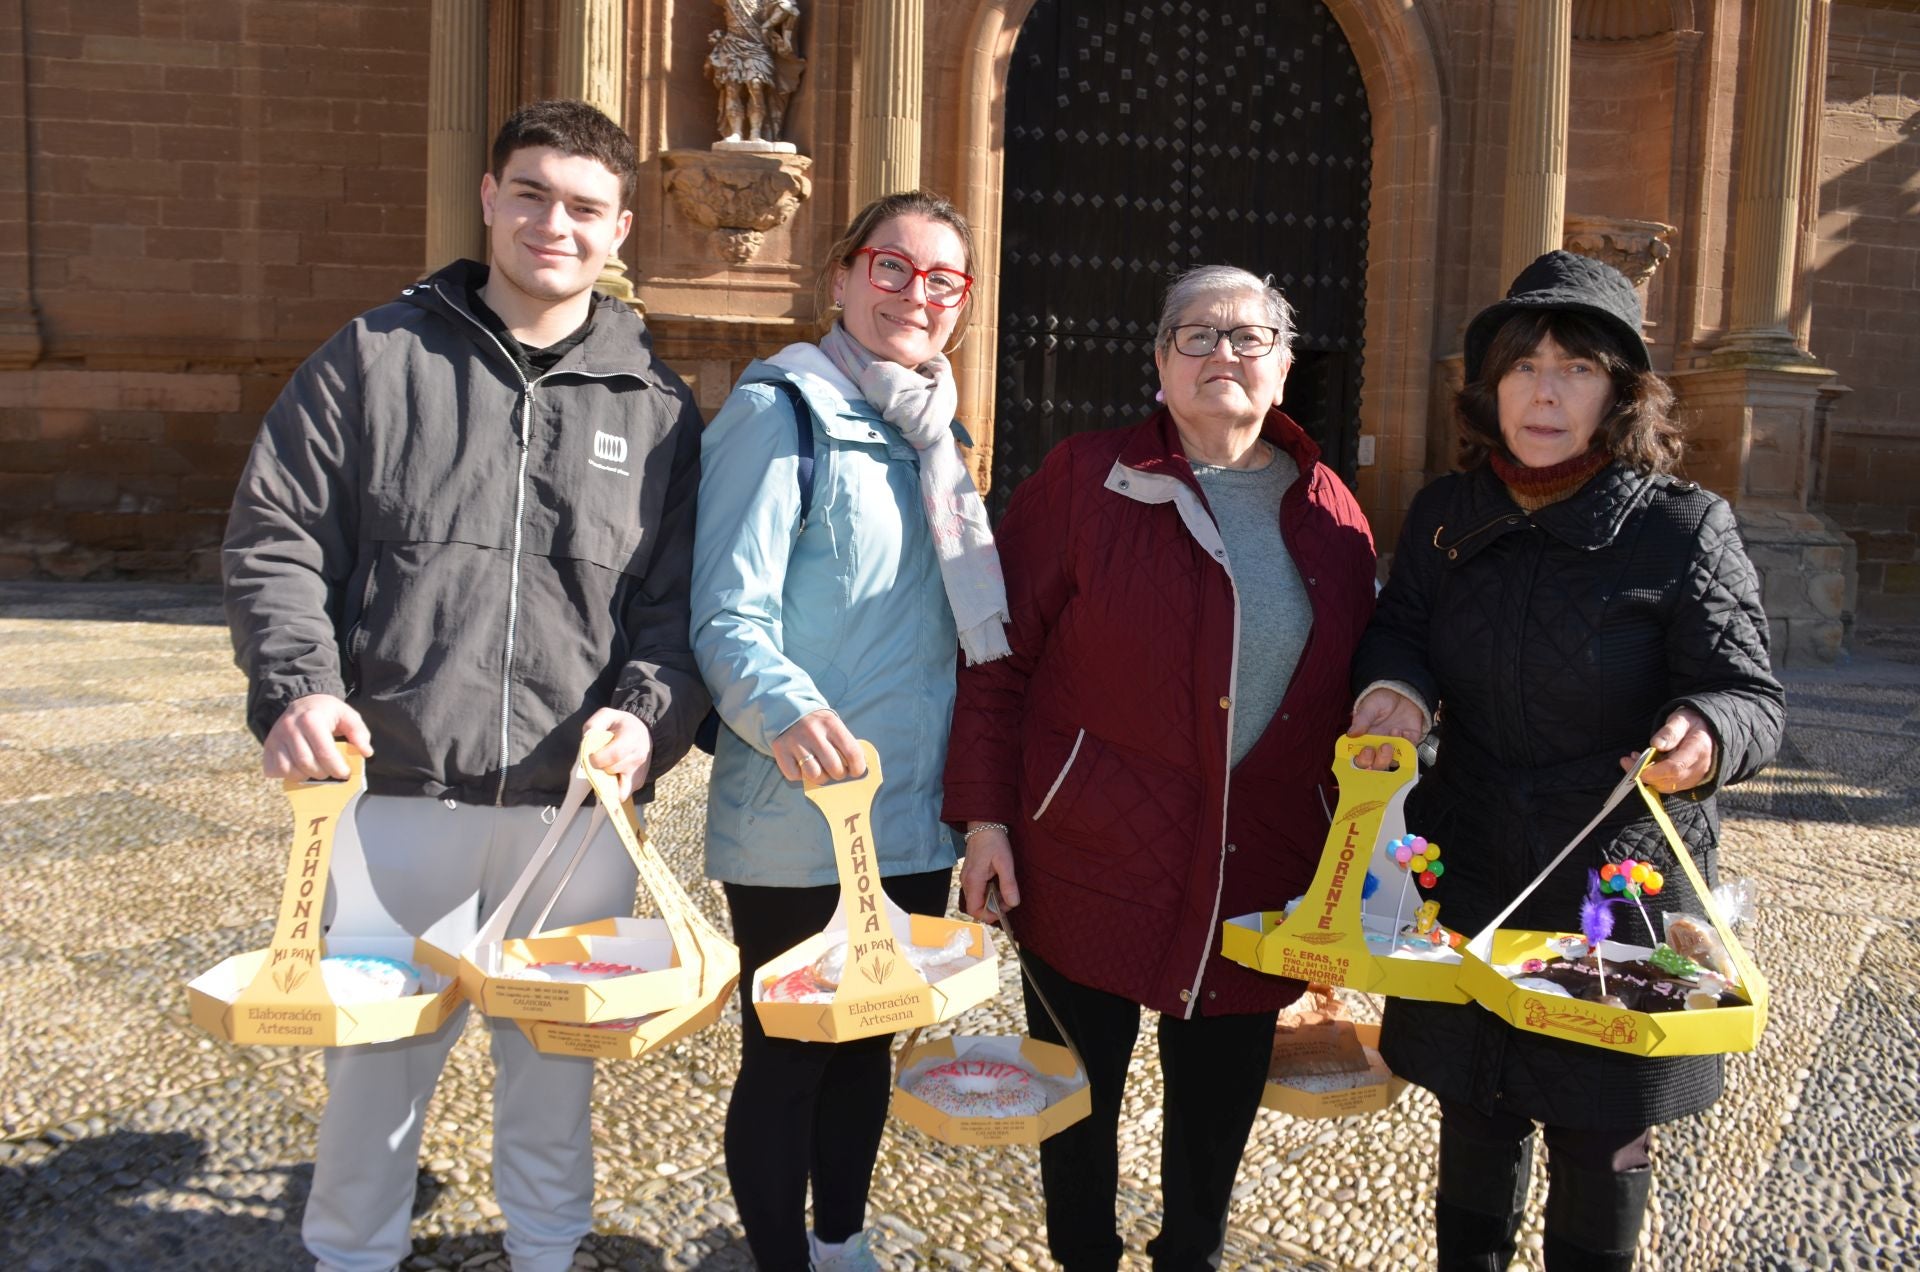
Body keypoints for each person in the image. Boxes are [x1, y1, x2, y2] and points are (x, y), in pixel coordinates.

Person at [222, 100, 707, 1272]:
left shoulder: (657, 408)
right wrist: (296, 687)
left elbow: (674, 613)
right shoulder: (377, 357)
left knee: (552, 1091)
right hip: (395, 801)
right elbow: (277, 532)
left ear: (621, 228)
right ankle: (351, 1258)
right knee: (371, 1086)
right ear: (488, 198)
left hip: (572, 819)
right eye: (532, 194)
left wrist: (643, 723)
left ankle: (547, 1255)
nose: (556, 224)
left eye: (585, 207)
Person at [1346, 250, 1785, 1271]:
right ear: (1489, 385)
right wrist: (1394, 689)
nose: (1546, 391)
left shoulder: (1682, 527)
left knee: (1602, 1141)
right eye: (1525, 365)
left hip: (1617, 885)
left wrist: (1708, 734)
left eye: (1577, 368)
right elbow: (1401, 630)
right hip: (1475, 863)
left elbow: (1752, 697)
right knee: (1477, 1116)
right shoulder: (1446, 516)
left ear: (1619, 393)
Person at [943, 265, 1379, 1271]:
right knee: (1074, 1106)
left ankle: (1191, 1256)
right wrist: (985, 820)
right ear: (1158, 362)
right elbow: (996, 659)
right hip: (1087, 855)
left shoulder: (1335, 514)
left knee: (1214, 1123)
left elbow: (1362, 692)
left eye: (1250, 337)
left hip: (1258, 870)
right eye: (1198, 334)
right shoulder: (1084, 478)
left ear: (1282, 367)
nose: (1224, 353)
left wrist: (1350, 873)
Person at [691, 191, 1010, 1272]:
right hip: (797, 812)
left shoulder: (937, 434)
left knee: (868, 1043)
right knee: (788, 1059)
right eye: (890, 267)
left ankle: (842, 1241)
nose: (913, 296)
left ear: (961, 303)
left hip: (911, 819)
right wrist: (787, 713)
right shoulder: (778, 411)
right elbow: (727, 614)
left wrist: (976, 811)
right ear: (839, 277)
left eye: (941, 279)